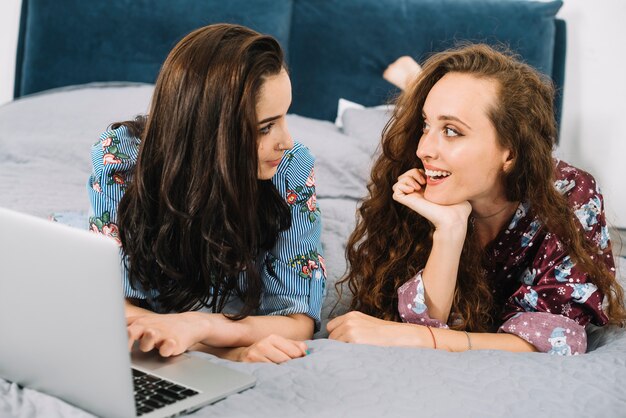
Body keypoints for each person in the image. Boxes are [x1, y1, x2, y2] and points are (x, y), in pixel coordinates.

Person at [329, 44, 626, 355]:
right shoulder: (412, 182)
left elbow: (558, 338)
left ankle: (413, 80)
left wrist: (425, 340)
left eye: (452, 131)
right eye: (426, 125)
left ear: (509, 152)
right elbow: (404, 317)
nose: (423, 150)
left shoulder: (569, 195)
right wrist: (449, 229)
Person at [88, 24, 326, 363]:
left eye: (284, 117)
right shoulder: (121, 160)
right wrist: (232, 351)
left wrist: (197, 327)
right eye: (265, 127)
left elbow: (296, 320)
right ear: (210, 130)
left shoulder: (291, 168)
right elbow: (117, 308)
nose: (285, 140)